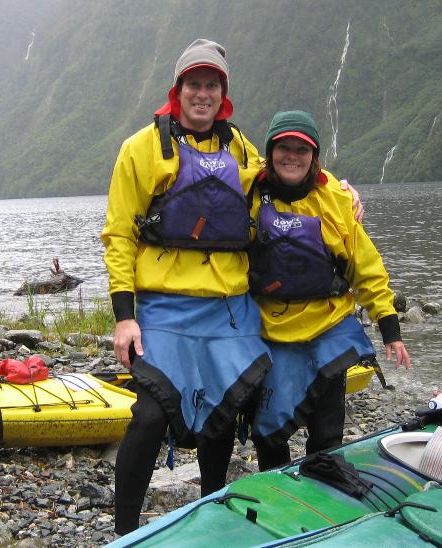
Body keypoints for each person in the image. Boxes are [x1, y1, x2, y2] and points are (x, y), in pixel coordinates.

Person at [101, 39, 274, 535]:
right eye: (194, 83)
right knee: (152, 414)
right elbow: (118, 235)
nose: (203, 93)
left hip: (227, 310)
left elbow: (289, 182)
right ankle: (125, 533)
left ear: (224, 94)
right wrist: (124, 316)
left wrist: (339, 190)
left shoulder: (241, 148)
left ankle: (213, 516)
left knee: (224, 406)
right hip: (162, 309)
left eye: (212, 84)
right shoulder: (141, 149)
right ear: (178, 91)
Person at [248, 110, 411, 471]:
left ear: (314, 157)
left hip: (328, 328)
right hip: (271, 333)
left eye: (301, 149)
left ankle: (323, 484)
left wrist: (390, 329)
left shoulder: (335, 200)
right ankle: (274, 490)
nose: (292, 156)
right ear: (270, 152)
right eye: (283, 148)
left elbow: (365, 268)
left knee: (327, 428)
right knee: (270, 430)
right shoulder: (250, 194)